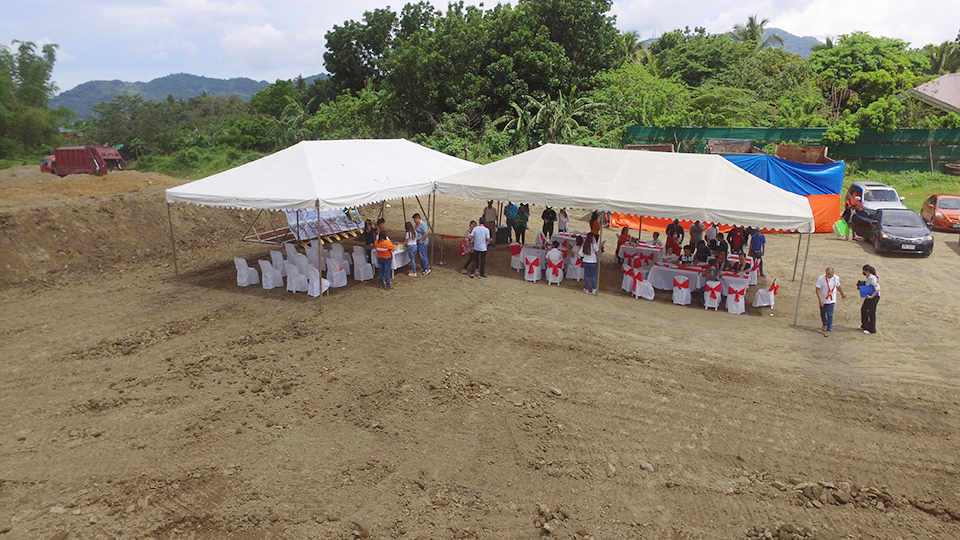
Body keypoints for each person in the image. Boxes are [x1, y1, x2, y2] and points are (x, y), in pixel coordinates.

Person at [815, 267, 846, 337]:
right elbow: (817, 290)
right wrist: (820, 299)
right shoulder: (821, 279)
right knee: (823, 313)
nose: (829, 276)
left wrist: (842, 293)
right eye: (828, 274)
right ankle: (824, 324)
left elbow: (838, 286)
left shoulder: (836, 278)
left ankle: (829, 330)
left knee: (830, 314)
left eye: (831, 274)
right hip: (823, 299)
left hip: (831, 299)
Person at [860, 264, 880, 334]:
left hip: (873, 297)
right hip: (869, 296)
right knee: (864, 309)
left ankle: (872, 329)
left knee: (871, 312)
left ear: (867, 271)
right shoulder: (869, 277)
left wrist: (872, 296)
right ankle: (865, 325)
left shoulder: (872, 278)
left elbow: (877, 288)